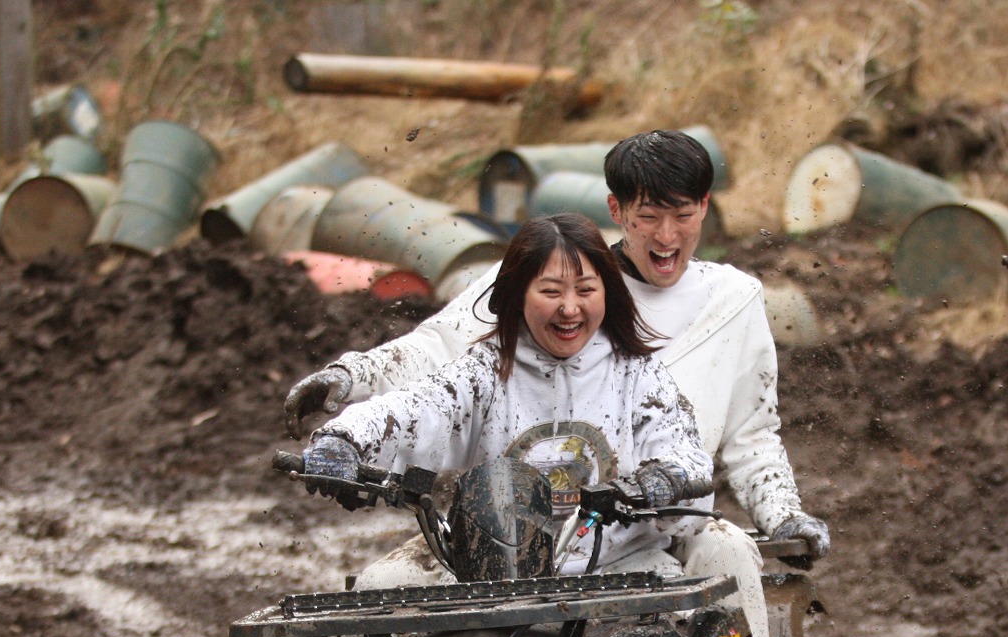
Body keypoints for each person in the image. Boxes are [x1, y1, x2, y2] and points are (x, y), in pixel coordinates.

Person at [287, 129, 825, 637]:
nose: (666, 236)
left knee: (725, 559)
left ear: (705, 208)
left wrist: (778, 511)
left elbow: (749, 433)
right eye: (648, 217)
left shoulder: (666, 349)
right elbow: (429, 374)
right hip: (502, 531)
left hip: (643, 529)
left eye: (682, 215)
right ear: (617, 210)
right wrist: (347, 407)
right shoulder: (531, 301)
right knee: (379, 597)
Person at [302, 213, 712, 581]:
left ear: (607, 292)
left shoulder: (637, 374)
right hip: (493, 571)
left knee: (690, 617)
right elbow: (413, 409)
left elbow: (689, 456)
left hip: (622, 563)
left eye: (586, 290)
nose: (570, 308)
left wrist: (667, 478)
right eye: (551, 291)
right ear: (517, 294)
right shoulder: (485, 371)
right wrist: (344, 439)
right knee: (380, 587)